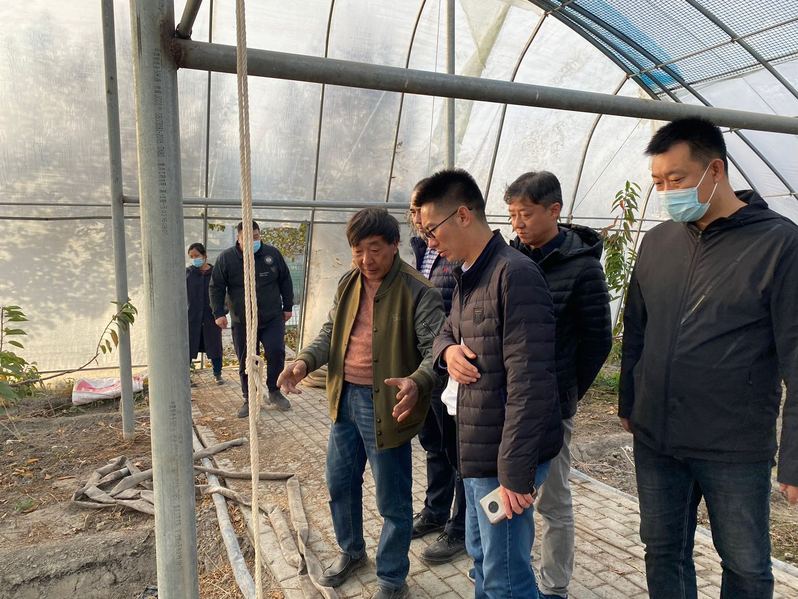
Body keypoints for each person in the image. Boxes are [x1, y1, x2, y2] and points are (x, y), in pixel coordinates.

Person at [619, 117, 798, 599]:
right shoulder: (659, 242)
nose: (666, 192)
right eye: (658, 182)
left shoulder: (779, 244)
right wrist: (630, 402)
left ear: (715, 170)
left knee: (744, 564)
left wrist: (796, 458)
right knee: (662, 550)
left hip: (732, 443)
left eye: (676, 179)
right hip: (657, 438)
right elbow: (637, 329)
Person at [277, 208, 445, 599]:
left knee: (392, 497)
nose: (366, 260)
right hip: (344, 399)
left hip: (385, 404)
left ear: (394, 245)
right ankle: (352, 551)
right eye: (358, 250)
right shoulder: (349, 282)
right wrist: (303, 362)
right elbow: (331, 332)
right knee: (340, 483)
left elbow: (436, 352)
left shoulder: (418, 291)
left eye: (375, 249)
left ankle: (392, 578)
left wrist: (417, 382)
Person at [416, 169, 563, 599]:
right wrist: (447, 352)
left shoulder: (514, 275)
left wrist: (514, 475)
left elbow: (530, 383)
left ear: (463, 215)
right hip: (478, 448)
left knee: (506, 577)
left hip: (504, 457)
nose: (430, 243)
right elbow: (447, 330)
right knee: (483, 560)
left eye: (432, 230)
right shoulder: (470, 273)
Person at [505, 171, 612, 599]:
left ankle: (554, 584)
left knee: (552, 497)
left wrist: (566, 390)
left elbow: (597, 342)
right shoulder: (510, 259)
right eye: (512, 215)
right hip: (509, 401)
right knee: (509, 491)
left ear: (554, 210)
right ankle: (511, 570)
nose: (518, 224)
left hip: (552, 406)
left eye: (526, 214)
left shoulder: (582, 268)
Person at [408, 180, 466, 564]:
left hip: (455, 364)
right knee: (434, 442)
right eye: (413, 212)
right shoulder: (423, 250)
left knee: (460, 449)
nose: (417, 219)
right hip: (429, 362)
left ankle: (460, 527)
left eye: (422, 212)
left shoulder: (456, 250)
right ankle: (435, 509)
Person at [209, 220, 294, 418]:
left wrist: (288, 306)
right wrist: (218, 313)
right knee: (247, 360)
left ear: (259, 235)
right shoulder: (227, 259)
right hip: (243, 320)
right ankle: (250, 398)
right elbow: (216, 287)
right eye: (246, 238)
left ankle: (274, 391)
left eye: (255, 237)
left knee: (276, 351)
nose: (252, 241)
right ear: (238, 238)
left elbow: (285, 280)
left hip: (272, 317)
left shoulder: (272, 254)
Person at [186, 242, 225, 385]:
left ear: (204, 256)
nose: (194, 259)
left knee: (214, 344)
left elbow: (223, 293)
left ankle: (217, 374)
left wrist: (221, 312)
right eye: (191, 257)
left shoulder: (215, 273)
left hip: (211, 316)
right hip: (192, 316)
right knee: (189, 345)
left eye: (197, 256)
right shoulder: (188, 273)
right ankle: (186, 375)